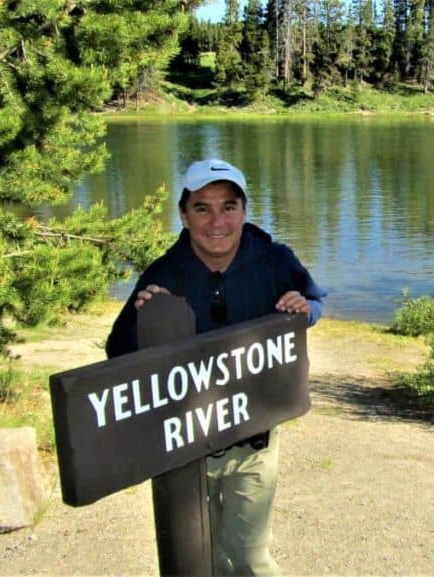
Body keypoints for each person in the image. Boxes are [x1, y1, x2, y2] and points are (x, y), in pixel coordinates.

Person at [105, 158, 326, 576]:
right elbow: (118, 353)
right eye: (202, 207)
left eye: (228, 206)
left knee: (250, 560)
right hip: (187, 451)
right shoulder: (164, 274)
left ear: (244, 210)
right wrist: (142, 322)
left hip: (254, 441)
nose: (217, 220)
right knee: (198, 562)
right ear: (184, 215)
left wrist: (305, 310)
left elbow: (314, 302)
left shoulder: (274, 260)